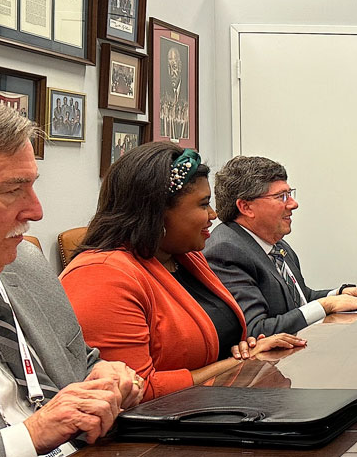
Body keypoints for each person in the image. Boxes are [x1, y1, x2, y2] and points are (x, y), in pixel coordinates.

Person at [0, 94, 142, 457]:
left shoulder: (25, 264)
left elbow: (83, 365)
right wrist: (32, 435)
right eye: (12, 190)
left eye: (33, 185)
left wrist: (109, 378)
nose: (37, 211)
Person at [60, 143, 305, 401]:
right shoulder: (101, 277)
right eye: (203, 204)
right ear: (157, 212)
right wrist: (238, 363)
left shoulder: (185, 256)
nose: (214, 214)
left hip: (221, 405)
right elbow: (138, 392)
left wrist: (244, 350)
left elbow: (229, 340)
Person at [204, 155, 357, 337]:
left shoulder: (275, 244)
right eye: (281, 197)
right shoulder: (226, 251)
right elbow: (257, 330)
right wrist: (326, 305)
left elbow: (299, 299)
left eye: (289, 194)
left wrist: (340, 293)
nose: (293, 204)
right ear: (246, 207)